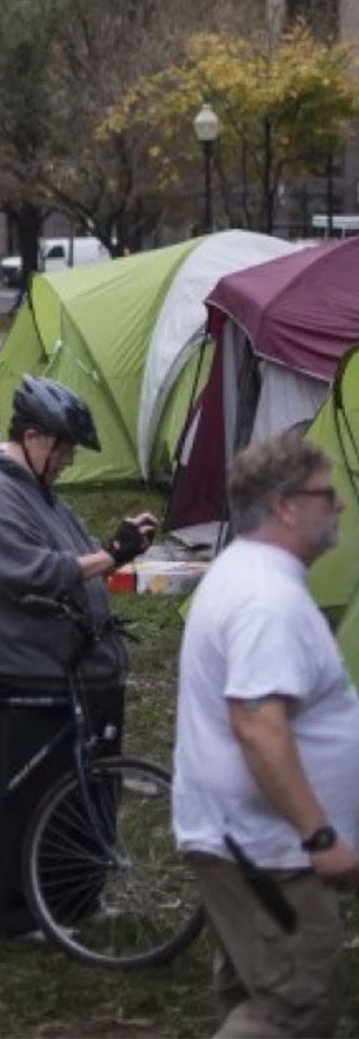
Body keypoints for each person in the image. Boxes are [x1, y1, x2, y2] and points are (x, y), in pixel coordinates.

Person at [0, 374, 156, 936]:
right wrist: (111, 554)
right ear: (36, 437)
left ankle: (73, 898)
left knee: (82, 788)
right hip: (26, 667)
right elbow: (31, 572)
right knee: (31, 795)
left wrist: (113, 550)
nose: (67, 459)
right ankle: (18, 911)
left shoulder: (41, 495)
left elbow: (78, 557)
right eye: (63, 448)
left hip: (72, 665)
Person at [173, 432, 358, 1036]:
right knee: (294, 1007)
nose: (341, 506)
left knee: (253, 991)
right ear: (285, 504)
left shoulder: (247, 574)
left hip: (244, 842)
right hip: (273, 851)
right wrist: (320, 832)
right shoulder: (265, 599)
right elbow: (258, 726)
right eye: (327, 494)